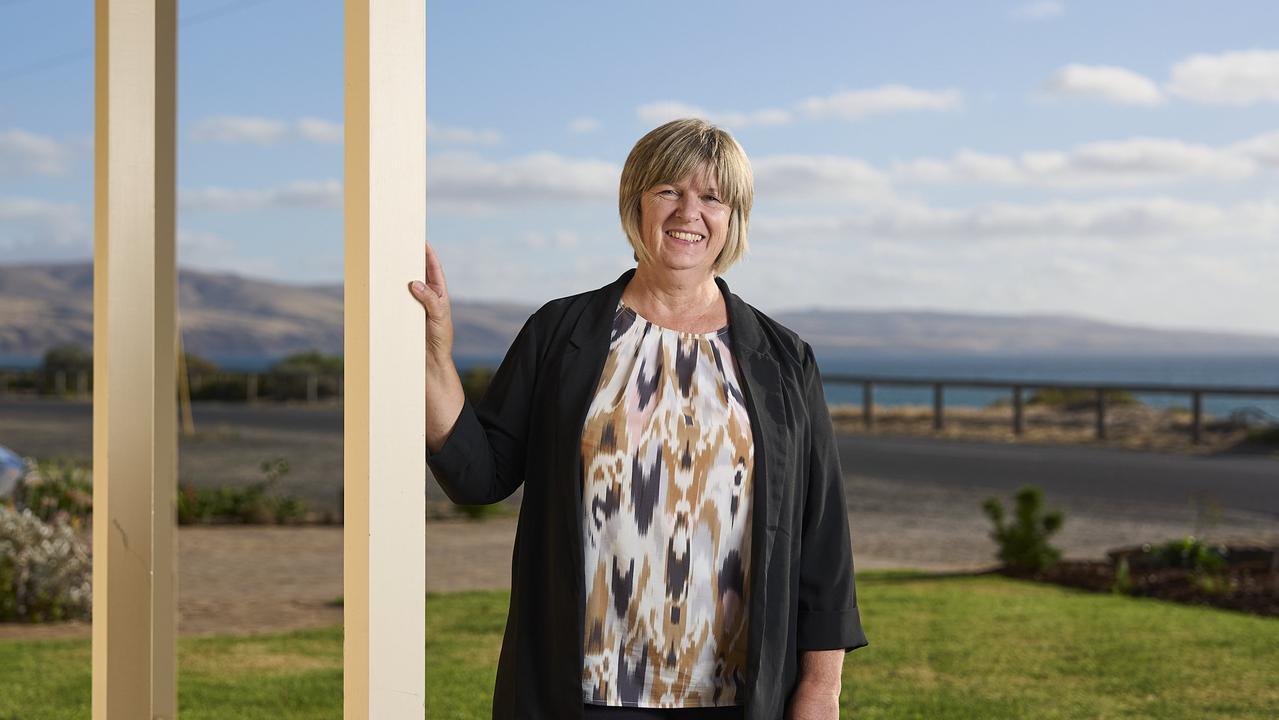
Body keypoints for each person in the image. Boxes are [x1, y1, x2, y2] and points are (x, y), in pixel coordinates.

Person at [409, 118, 867, 720]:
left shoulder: (783, 359)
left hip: (737, 699)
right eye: (668, 191)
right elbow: (478, 475)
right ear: (636, 203)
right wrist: (433, 358)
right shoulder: (560, 333)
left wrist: (821, 689)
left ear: (733, 219)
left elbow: (821, 537)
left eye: (712, 197)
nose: (689, 212)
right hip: (582, 695)